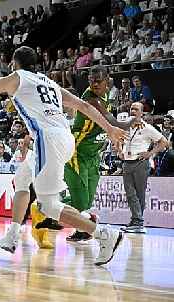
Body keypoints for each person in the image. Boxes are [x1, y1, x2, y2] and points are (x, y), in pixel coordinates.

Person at [0, 46, 127, 266]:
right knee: (23, 177)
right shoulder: (49, 83)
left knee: (48, 206)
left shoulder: (15, 78)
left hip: (48, 139)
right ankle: (12, 235)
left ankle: (104, 234)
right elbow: (81, 105)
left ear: (14, 63)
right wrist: (109, 129)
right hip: (64, 138)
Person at [64, 66, 141, 242]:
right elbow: (113, 123)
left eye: (98, 80)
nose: (94, 84)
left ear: (108, 80)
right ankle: (44, 209)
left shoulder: (106, 95)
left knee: (88, 201)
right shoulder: (90, 98)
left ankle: (69, 219)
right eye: (91, 81)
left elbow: (106, 129)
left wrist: (116, 142)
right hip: (77, 151)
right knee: (81, 202)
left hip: (93, 153)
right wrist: (133, 120)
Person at [120, 102, 168, 233]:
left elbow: (164, 142)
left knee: (138, 194)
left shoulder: (147, 127)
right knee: (130, 193)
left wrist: (150, 153)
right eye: (131, 109)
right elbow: (118, 138)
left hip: (140, 163)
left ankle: (137, 221)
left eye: (136, 109)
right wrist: (119, 149)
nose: (133, 111)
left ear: (142, 113)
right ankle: (137, 221)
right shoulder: (126, 125)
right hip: (127, 162)